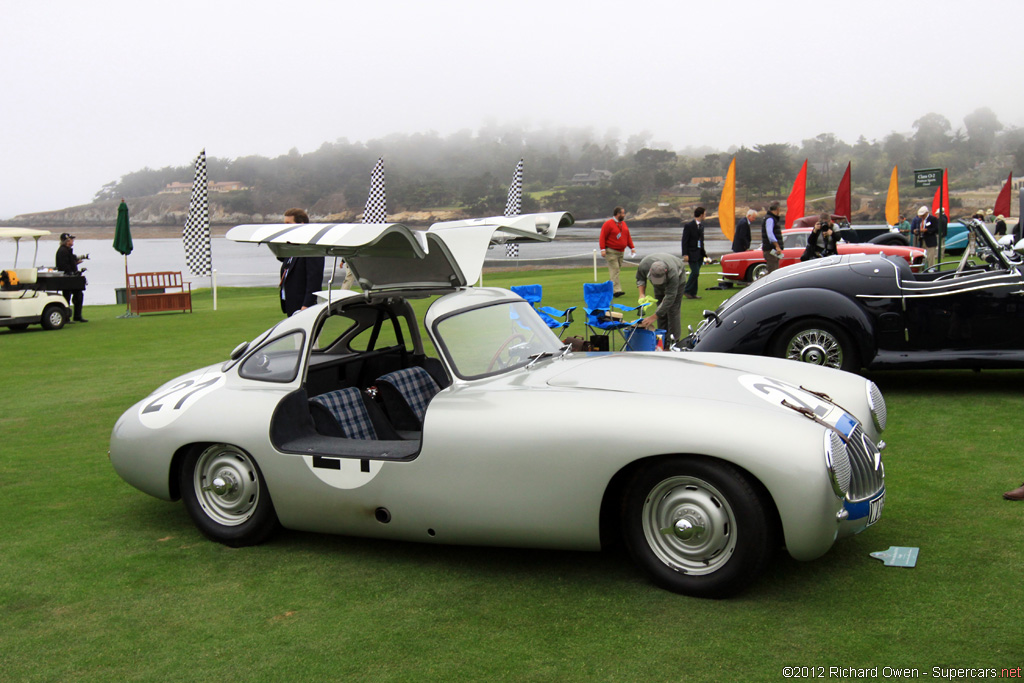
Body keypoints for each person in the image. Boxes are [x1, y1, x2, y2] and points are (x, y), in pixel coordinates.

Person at [279, 208, 326, 316]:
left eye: (288, 223)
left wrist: (307, 305)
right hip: (291, 303)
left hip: (303, 306)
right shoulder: (294, 245)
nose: (285, 227)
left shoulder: (311, 248)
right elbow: (283, 259)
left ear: (301, 224)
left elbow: (314, 279)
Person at [636, 253, 686, 345]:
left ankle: (673, 342)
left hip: (679, 276)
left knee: (673, 310)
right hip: (661, 270)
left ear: (666, 271)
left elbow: (670, 297)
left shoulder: (673, 273)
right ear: (650, 271)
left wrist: (653, 317)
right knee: (660, 307)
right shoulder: (644, 265)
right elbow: (640, 278)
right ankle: (661, 341)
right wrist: (641, 294)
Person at [599, 206, 636, 298]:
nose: (624, 215)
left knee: (616, 270)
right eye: (623, 213)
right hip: (611, 251)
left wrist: (632, 247)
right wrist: (602, 249)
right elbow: (602, 236)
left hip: (621, 252)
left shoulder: (623, 224)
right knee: (614, 269)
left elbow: (627, 236)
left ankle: (609, 289)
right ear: (618, 214)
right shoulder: (608, 224)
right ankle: (616, 291)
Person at [55, 232, 87, 323]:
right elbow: (63, 265)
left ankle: (77, 316)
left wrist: (75, 263)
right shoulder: (63, 251)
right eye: (71, 239)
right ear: (67, 241)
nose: (73, 241)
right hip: (68, 278)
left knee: (78, 295)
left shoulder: (67, 250)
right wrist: (72, 272)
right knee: (67, 297)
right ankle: (66, 317)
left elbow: (70, 261)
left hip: (71, 277)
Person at [680, 206, 706, 299]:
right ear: (701, 214)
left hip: (699, 253)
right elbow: (684, 241)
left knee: (697, 273)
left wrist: (704, 253)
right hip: (691, 253)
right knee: (695, 272)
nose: (705, 216)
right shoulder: (689, 226)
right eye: (704, 214)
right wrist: (685, 254)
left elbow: (701, 241)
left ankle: (693, 293)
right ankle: (686, 290)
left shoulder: (701, 226)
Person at [761, 202, 784, 273]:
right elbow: (770, 234)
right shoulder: (770, 219)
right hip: (770, 250)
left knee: (775, 270)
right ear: (777, 209)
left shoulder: (771, 218)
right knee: (772, 272)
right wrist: (777, 246)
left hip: (772, 250)